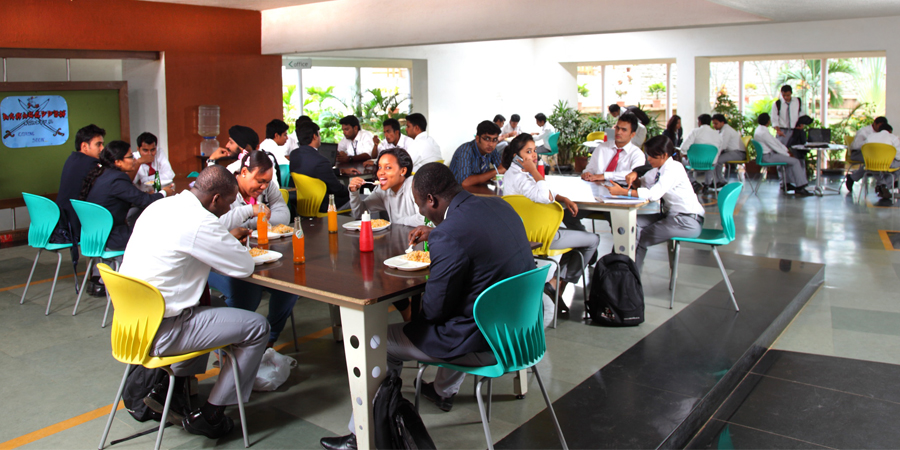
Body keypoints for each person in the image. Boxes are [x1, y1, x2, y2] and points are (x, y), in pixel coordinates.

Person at [319, 163, 534, 450]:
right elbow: (473, 235)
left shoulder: (449, 234)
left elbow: (433, 311)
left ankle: (360, 437)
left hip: (485, 343)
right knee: (461, 309)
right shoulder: (499, 206)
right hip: (522, 333)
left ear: (431, 200)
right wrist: (437, 233)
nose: (422, 212)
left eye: (420, 205)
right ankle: (438, 392)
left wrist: (441, 244)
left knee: (376, 342)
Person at [119, 165, 269, 439]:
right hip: (163, 331)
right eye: (228, 202)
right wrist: (226, 241)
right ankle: (211, 415)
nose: (228, 209)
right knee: (258, 327)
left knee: (215, 308)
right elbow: (244, 266)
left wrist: (220, 240)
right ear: (215, 199)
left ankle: (172, 389)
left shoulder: (159, 206)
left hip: (131, 327)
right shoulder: (201, 222)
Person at [501, 134, 598, 310]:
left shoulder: (512, 174)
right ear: (516, 156)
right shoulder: (523, 176)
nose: (534, 155)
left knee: (574, 241)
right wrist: (534, 171)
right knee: (593, 240)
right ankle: (557, 283)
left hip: (523, 234)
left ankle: (555, 285)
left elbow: (542, 191)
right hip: (542, 236)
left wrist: (562, 198)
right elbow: (544, 196)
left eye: (534, 150)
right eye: (528, 151)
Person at [211, 150, 297, 346]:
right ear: (243, 172)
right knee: (248, 290)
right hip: (218, 261)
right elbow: (218, 225)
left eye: (267, 182)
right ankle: (228, 345)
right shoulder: (226, 188)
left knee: (289, 287)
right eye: (259, 181)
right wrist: (251, 213)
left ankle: (268, 340)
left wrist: (250, 224)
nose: (263, 186)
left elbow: (284, 215)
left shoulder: (266, 186)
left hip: (258, 256)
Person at [606, 136, 705, 273]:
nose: (649, 159)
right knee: (630, 224)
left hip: (687, 221)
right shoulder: (659, 169)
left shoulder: (673, 168)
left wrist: (624, 192)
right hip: (672, 216)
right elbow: (643, 182)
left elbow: (653, 194)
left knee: (641, 238)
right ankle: (617, 270)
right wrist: (634, 178)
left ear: (664, 155)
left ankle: (630, 279)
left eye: (652, 156)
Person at [81, 140, 172, 250]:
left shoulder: (103, 174)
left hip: (95, 235)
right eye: (130, 157)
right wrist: (165, 192)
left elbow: (132, 196)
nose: (134, 160)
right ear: (118, 162)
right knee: (160, 231)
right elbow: (146, 201)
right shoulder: (117, 179)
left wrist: (143, 195)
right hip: (112, 237)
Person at [348, 148, 425, 227]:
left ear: (402, 171)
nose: (381, 172)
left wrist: (397, 222)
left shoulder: (414, 186)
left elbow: (425, 220)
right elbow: (360, 214)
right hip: (397, 233)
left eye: (388, 167)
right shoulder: (382, 190)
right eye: (380, 167)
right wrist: (354, 193)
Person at [290, 122, 352, 212]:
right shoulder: (321, 161)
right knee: (363, 200)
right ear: (314, 136)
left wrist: (340, 171)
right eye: (319, 134)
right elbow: (337, 189)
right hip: (324, 206)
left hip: (305, 204)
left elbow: (312, 172)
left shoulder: (294, 154)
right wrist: (352, 190)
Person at [754, 113, 812, 196]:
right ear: (768, 121)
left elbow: (775, 141)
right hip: (768, 157)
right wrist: (787, 154)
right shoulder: (763, 133)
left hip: (767, 155)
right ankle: (800, 187)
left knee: (789, 161)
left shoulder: (759, 130)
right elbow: (774, 146)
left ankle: (787, 183)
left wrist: (786, 150)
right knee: (795, 161)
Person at [581, 113, 646, 185]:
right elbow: (590, 168)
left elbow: (633, 174)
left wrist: (604, 176)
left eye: (624, 130)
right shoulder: (602, 148)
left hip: (622, 189)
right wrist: (587, 173)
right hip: (597, 187)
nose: (618, 132)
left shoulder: (637, 154)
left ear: (632, 134)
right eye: (617, 128)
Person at [448, 120, 506, 187]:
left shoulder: (491, 150)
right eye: (487, 139)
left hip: (477, 188)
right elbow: (465, 182)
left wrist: (501, 169)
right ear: (477, 138)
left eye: (495, 140)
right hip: (456, 190)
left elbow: (501, 167)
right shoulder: (465, 151)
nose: (491, 144)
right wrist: (495, 171)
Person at [847, 116, 888, 193]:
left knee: (876, 161)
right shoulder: (864, 132)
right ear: (875, 124)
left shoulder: (881, 132)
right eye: (880, 126)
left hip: (873, 154)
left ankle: (853, 177)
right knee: (873, 161)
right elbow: (855, 146)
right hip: (857, 153)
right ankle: (882, 184)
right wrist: (868, 143)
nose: (881, 128)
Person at [680, 114, 722, 187]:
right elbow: (718, 150)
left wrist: (686, 154)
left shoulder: (695, 132)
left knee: (681, 162)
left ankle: (693, 182)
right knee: (713, 161)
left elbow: (683, 147)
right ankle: (707, 184)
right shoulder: (717, 134)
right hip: (710, 163)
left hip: (694, 163)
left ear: (699, 122)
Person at [863, 124, 900, 200]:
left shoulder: (870, 137)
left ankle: (882, 185)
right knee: (897, 168)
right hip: (887, 164)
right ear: (890, 131)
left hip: (871, 164)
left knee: (876, 169)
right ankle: (883, 185)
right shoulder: (893, 137)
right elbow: (898, 155)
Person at [711, 114, 746, 185]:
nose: (714, 126)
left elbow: (722, 146)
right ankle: (716, 180)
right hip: (733, 152)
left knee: (717, 160)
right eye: (713, 124)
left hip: (738, 153)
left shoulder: (726, 131)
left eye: (716, 123)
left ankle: (720, 181)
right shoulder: (723, 130)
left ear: (722, 122)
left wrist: (715, 154)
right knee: (717, 159)